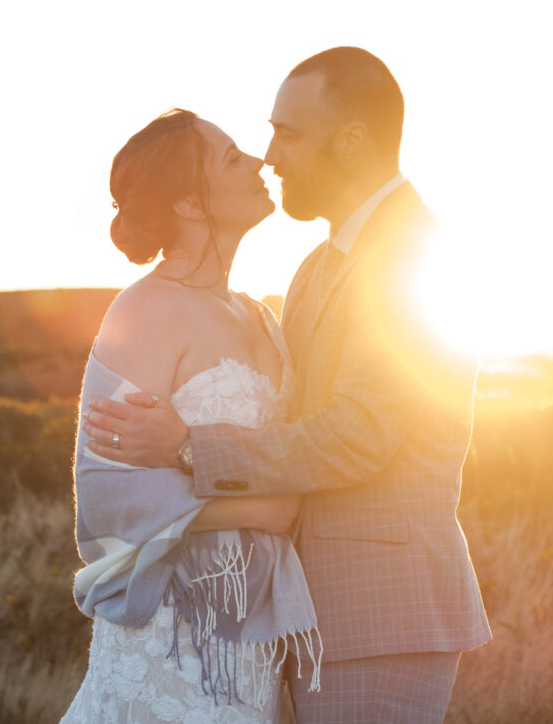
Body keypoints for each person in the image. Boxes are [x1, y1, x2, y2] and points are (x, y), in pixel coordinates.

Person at [86, 47, 491, 723]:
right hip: (293, 623)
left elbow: (360, 434)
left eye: (288, 133)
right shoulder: (314, 270)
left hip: (379, 611)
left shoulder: (413, 254)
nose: (270, 155)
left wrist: (190, 446)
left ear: (353, 140)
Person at [62, 109, 322, 723]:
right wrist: (266, 509)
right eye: (233, 158)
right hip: (169, 633)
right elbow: (108, 497)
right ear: (187, 203)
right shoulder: (147, 308)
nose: (259, 162)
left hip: (252, 630)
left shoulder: (260, 315)